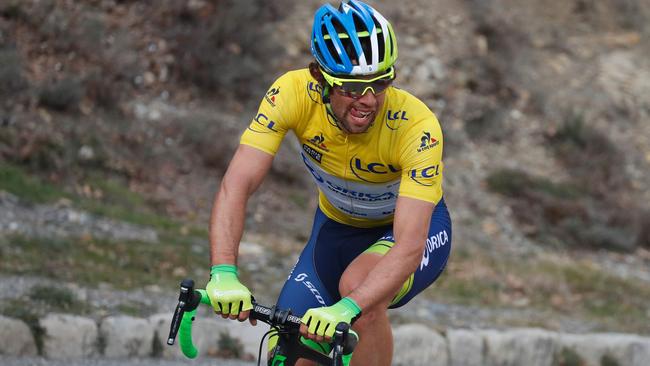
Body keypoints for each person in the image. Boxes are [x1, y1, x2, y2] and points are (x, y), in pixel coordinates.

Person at [205, 1, 452, 365]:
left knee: (358, 294)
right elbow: (236, 185)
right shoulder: (291, 93)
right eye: (353, 87)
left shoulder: (416, 127)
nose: (368, 100)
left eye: (380, 82)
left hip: (409, 233)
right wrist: (223, 271)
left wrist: (350, 306)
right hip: (335, 230)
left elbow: (409, 245)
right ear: (321, 79)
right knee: (288, 348)